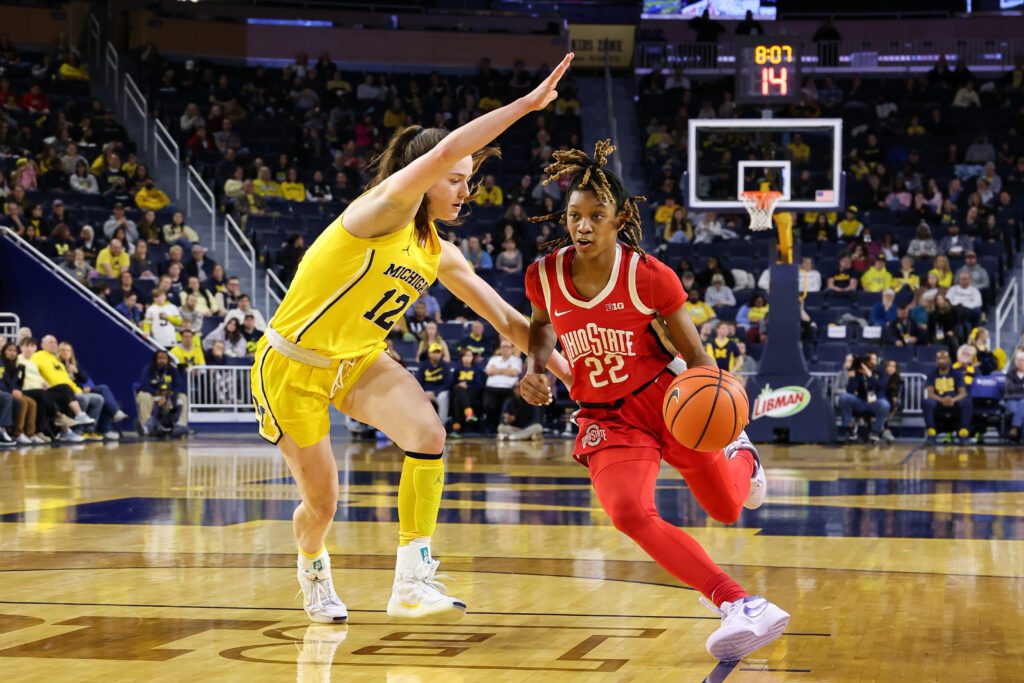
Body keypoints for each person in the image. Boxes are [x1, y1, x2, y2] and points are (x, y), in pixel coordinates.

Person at [248, 55, 575, 625]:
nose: (464, 189)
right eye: (455, 179)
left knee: (427, 432)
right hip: (291, 365)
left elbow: (510, 323)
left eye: (470, 181)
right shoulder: (379, 212)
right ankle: (313, 571)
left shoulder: (437, 250)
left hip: (356, 361)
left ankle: (411, 580)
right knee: (322, 503)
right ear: (423, 176)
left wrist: (585, 380)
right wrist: (526, 105)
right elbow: (446, 151)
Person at [520, 140, 787, 662]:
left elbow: (697, 355)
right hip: (606, 417)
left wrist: (716, 411)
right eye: (575, 215)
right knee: (627, 512)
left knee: (727, 508)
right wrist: (533, 372)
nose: (584, 226)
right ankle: (740, 603)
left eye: (597, 215)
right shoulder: (544, 275)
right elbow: (540, 328)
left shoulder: (647, 275)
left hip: (666, 401)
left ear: (620, 218)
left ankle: (742, 455)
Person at [837, 355, 892, 443]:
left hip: (875, 402)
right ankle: (849, 427)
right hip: (861, 401)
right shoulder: (858, 373)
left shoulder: (881, 372)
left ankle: (876, 431)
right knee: (844, 397)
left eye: (873, 360)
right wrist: (853, 377)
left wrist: (869, 376)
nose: (870, 363)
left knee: (885, 404)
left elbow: (881, 386)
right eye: (868, 361)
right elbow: (850, 391)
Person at [923, 348, 972, 445]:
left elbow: (962, 393)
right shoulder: (932, 374)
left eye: (943, 358)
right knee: (927, 402)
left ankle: (963, 433)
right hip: (938, 401)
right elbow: (930, 393)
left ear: (949, 360)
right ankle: (931, 432)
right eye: (939, 359)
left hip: (954, 400)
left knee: (967, 402)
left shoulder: (956, 373)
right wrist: (942, 400)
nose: (941, 361)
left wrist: (953, 400)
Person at [136, 349, 188, 436]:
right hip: (153, 395)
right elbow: (144, 385)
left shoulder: (172, 370)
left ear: (168, 360)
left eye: (164, 358)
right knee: (143, 395)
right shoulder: (149, 369)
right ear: (155, 359)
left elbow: (179, 386)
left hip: (169, 397)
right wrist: (156, 392)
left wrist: (170, 395)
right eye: (159, 358)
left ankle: (180, 427)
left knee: (182, 396)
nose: (161, 360)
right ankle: (146, 428)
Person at [482, 338, 522, 433]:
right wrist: (506, 370)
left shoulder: (517, 360)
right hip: (491, 388)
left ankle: (502, 427)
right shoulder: (493, 359)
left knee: (506, 407)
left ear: (512, 349)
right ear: (499, 349)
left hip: (508, 389)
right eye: (503, 347)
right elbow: (489, 371)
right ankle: (490, 427)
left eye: (507, 347)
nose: (505, 349)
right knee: (488, 406)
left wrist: (497, 370)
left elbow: (514, 372)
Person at [416, 343, 451, 426]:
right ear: (429, 354)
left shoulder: (445, 365)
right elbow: (418, 381)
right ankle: (419, 425)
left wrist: (434, 392)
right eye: (433, 352)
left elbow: (447, 383)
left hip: (439, 392)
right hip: (425, 391)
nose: (436, 354)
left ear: (441, 354)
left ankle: (442, 425)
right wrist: (424, 392)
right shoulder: (423, 365)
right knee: (417, 395)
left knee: (443, 396)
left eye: (438, 352)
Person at [1004, 351, 1024, 442]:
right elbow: (1009, 388)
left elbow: (1013, 389)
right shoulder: (1009, 374)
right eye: (1019, 360)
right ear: (1015, 361)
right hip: (1011, 401)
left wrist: (1016, 388)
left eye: (1023, 360)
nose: (1021, 362)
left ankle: (1015, 428)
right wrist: (1022, 387)